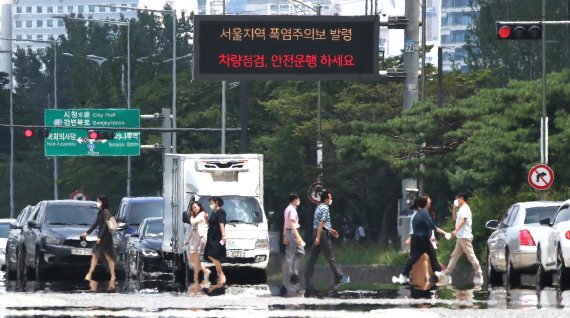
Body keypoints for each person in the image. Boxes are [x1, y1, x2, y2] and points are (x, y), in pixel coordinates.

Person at [393, 195, 449, 284]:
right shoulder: (424, 213)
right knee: (417, 257)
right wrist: (444, 233)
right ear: (425, 203)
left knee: (431, 255)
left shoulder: (419, 213)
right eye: (429, 200)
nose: (430, 201)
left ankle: (438, 272)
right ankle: (404, 275)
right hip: (422, 239)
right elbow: (431, 226)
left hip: (419, 239)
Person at [304, 191, 350, 296]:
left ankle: (308, 278)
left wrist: (330, 230)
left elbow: (321, 223)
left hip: (317, 232)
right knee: (331, 257)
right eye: (330, 198)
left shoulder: (318, 207)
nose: (331, 200)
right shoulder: (325, 208)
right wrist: (319, 237)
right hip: (322, 235)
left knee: (313, 257)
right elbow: (321, 223)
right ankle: (340, 277)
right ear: (326, 199)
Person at [437, 193, 483, 285]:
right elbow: (455, 218)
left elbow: (463, 220)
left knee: (471, 256)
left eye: (457, 199)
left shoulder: (465, 209)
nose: (456, 201)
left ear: (461, 199)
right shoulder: (461, 209)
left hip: (465, 236)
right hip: (460, 237)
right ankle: (447, 273)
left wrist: (455, 230)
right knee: (455, 255)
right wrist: (454, 207)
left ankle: (479, 274)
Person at [82, 195, 116, 292]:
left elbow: (105, 225)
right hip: (102, 237)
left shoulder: (106, 212)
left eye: (98, 201)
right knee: (101, 255)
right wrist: (87, 232)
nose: (97, 203)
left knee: (104, 255)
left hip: (105, 237)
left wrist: (99, 237)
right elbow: (96, 224)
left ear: (102, 202)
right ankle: (92, 274)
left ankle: (110, 277)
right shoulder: (100, 212)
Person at [184, 201, 211, 295]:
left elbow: (192, 221)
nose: (194, 209)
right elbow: (192, 229)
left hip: (200, 238)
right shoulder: (196, 216)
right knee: (193, 260)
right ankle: (204, 277)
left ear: (199, 207)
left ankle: (205, 278)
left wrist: (191, 215)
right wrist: (187, 240)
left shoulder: (202, 214)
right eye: (192, 208)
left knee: (196, 259)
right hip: (194, 239)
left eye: (195, 207)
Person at [282, 193, 305, 297]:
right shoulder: (291, 209)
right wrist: (297, 236)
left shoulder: (288, 208)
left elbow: (285, 223)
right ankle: (290, 278)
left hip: (290, 232)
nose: (299, 201)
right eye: (298, 199)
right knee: (290, 256)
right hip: (292, 232)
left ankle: (294, 272)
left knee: (300, 252)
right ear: (295, 200)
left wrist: (284, 235)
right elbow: (291, 223)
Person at [203, 196, 227, 293]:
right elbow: (210, 224)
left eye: (211, 202)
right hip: (211, 237)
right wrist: (206, 218)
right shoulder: (214, 212)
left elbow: (221, 224)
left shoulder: (221, 212)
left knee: (214, 256)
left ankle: (221, 274)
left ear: (217, 202)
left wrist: (224, 235)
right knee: (210, 255)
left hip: (217, 237)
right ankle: (220, 275)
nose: (210, 205)